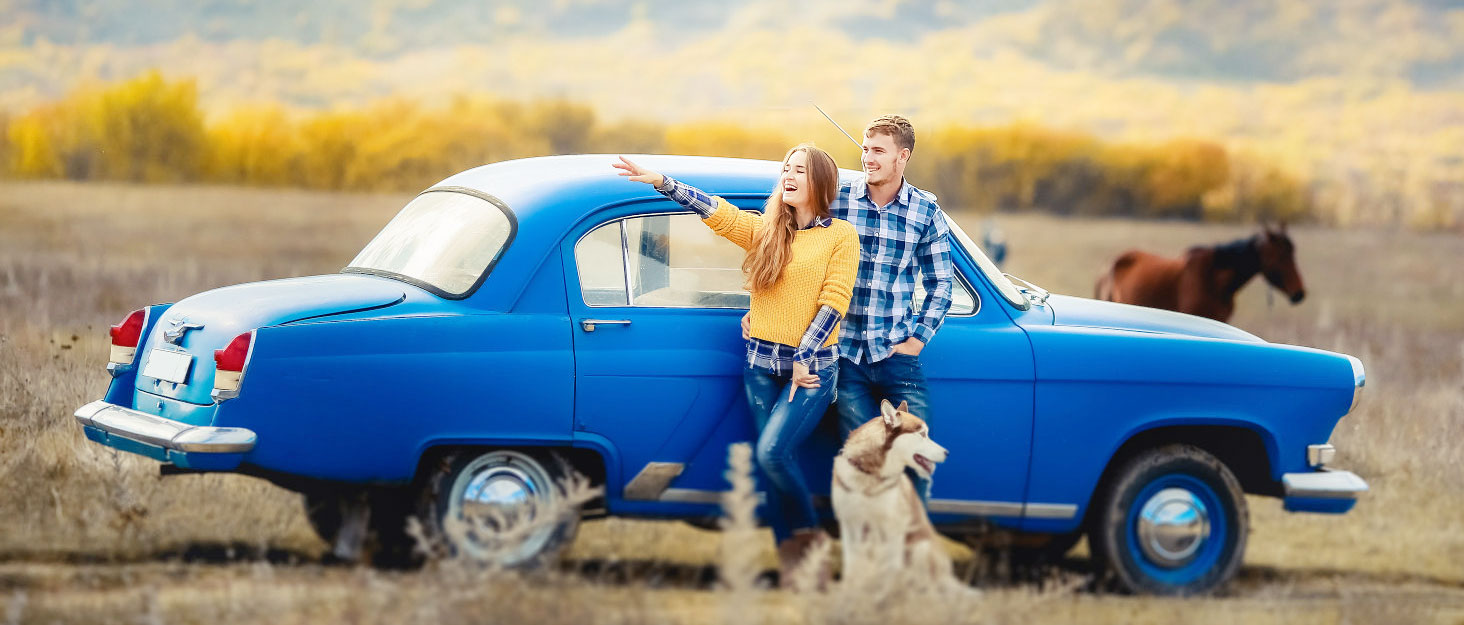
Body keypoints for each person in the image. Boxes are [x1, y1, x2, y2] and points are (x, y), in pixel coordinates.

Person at [613, 145, 861, 580]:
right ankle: (795, 564)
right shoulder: (770, 230)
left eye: (799, 170)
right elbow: (719, 213)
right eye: (786, 168)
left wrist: (805, 356)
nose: (788, 175)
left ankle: (811, 545)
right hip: (760, 364)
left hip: (811, 369)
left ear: (819, 183)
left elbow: (834, 300)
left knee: (772, 453)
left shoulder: (840, 235)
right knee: (769, 466)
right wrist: (661, 182)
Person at [744, 115, 955, 505]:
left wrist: (917, 340)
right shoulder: (836, 199)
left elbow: (941, 283)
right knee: (864, 462)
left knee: (916, 460)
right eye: (864, 148)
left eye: (878, 150)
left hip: (897, 352)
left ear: (902, 157)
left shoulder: (925, 212)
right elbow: (787, 244)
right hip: (843, 356)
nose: (867, 157)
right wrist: (765, 305)